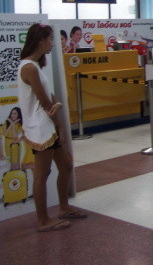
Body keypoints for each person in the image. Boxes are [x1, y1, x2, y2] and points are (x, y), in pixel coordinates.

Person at [18, 23, 87, 232]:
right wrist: (59, 125)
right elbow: (46, 103)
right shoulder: (29, 67)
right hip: (41, 128)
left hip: (47, 126)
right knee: (42, 173)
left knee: (65, 165)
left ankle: (64, 207)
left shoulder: (35, 66)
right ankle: (42, 219)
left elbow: (48, 97)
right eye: (50, 40)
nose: (52, 44)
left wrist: (57, 122)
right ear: (40, 40)